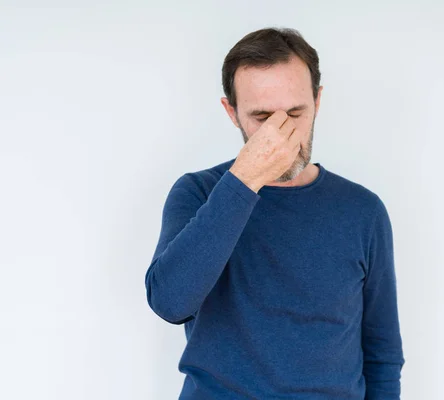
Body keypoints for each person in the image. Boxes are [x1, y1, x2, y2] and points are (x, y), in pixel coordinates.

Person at [144, 26, 405, 399]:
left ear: (318, 100)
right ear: (231, 112)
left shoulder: (363, 211)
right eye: (262, 117)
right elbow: (170, 303)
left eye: (296, 113)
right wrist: (245, 179)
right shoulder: (199, 193)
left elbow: (382, 355)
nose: (282, 134)